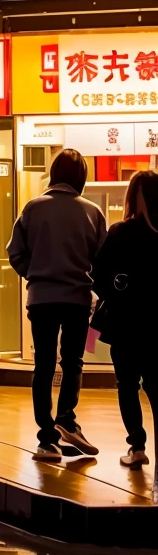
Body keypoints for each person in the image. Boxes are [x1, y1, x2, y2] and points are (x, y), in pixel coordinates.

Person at [8, 146, 108, 461]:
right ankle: (67, 418)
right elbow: (102, 261)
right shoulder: (92, 212)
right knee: (72, 362)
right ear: (81, 178)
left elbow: (15, 253)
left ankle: (46, 439)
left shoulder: (32, 208)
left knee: (44, 365)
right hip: (78, 298)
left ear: (53, 174)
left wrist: (35, 275)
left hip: (41, 298)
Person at [95, 168, 158, 469]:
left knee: (128, 384)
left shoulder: (119, 233)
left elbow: (98, 278)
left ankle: (137, 446)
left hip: (125, 324)